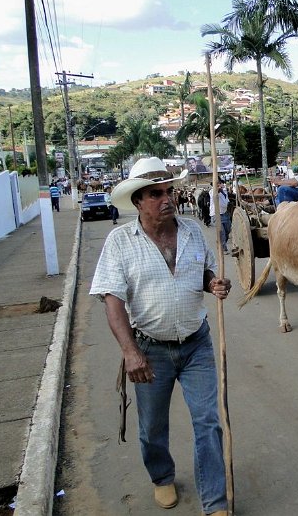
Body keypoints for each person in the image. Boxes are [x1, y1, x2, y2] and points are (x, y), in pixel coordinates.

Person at [89, 157, 231, 516]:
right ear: (138, 201)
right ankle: (162, 476)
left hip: (196, 342)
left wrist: (212, 282)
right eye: (155, 194)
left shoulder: (192, 231)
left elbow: (203, 273)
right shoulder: (120, 241)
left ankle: (214, 500)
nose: (166, 199)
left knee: (208, 421)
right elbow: (112, 299)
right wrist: (129, 352)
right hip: (150, 349)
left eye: (169, 191)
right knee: (152, 427)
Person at [216, 184, 232, 254]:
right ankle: (223, 248)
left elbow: (227, 200)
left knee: (227, 231)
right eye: (218, 184)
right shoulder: (212, 192)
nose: (220, 185)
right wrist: (218, 189)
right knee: (222, 232)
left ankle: (221, 243)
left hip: (226, 213)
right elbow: (216, 192)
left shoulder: (224, 191)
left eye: (221, 183)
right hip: (217, 214)